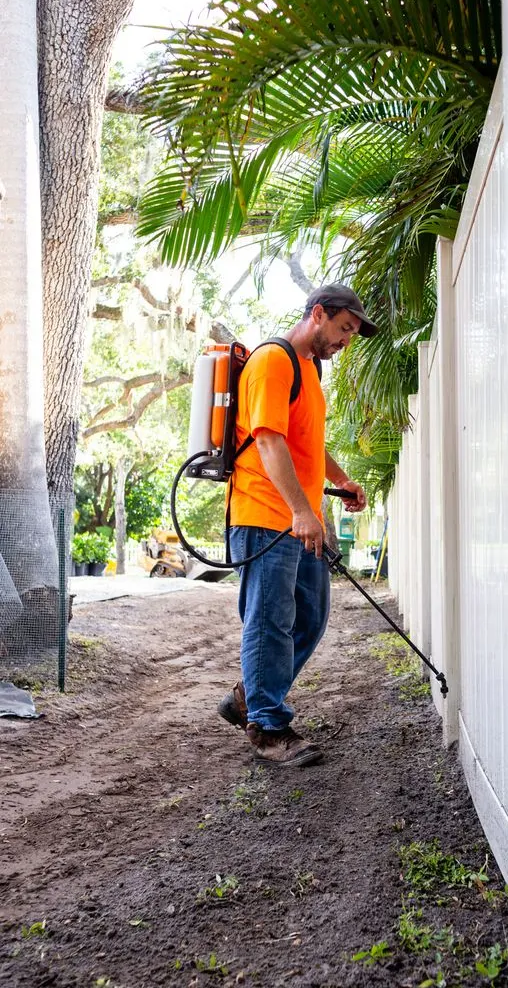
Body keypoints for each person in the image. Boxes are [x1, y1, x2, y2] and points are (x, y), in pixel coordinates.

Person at [217, 283, 377, 767]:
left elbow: (305, 442)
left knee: (311, 616)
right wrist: (302, 511)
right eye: (344, 328)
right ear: (318, 313)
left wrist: (341, 479)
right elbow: (268, 442)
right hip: (266, 517)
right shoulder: (273, 361)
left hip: (296, 520)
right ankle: (267, 727)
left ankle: (250, 695)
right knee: (270, 622)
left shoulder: (309, 371)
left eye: (351, 334)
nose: (346, 341)